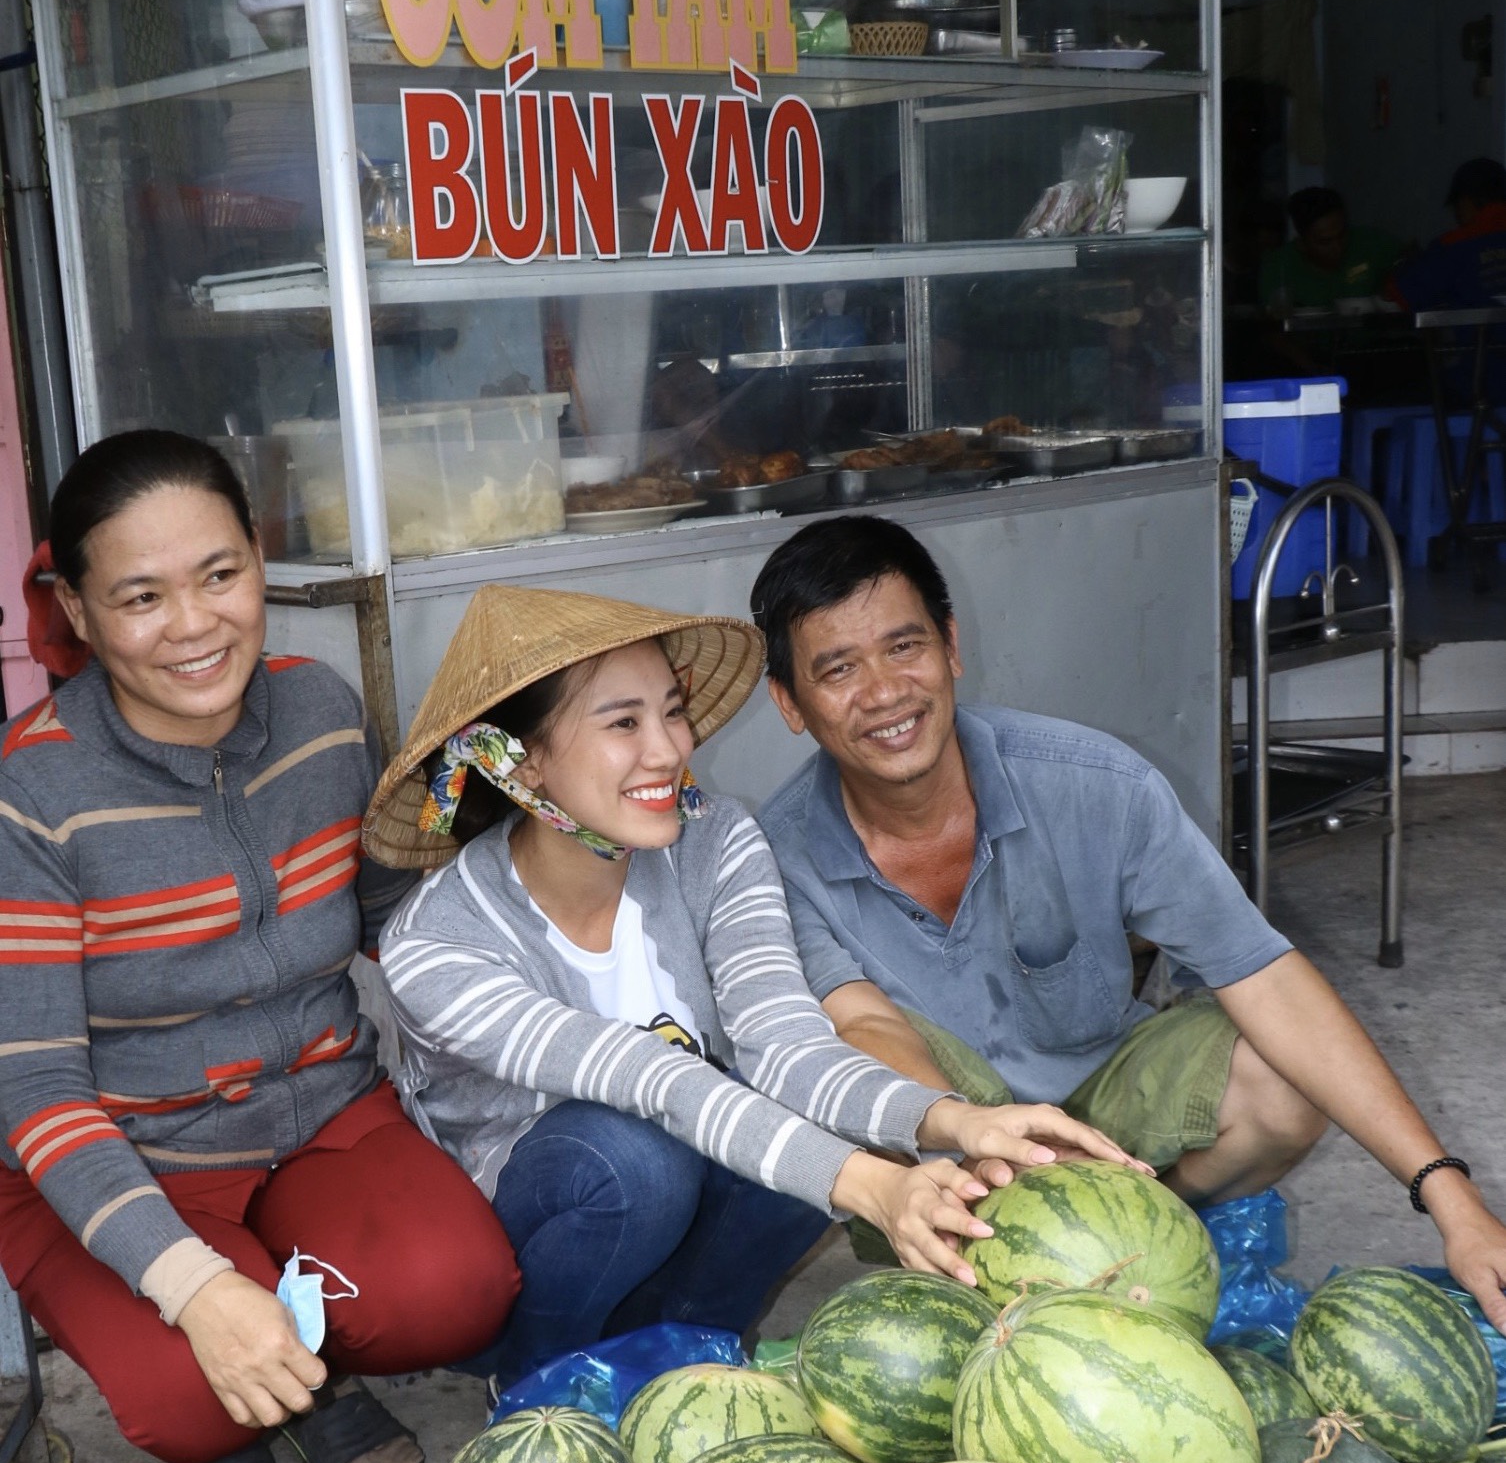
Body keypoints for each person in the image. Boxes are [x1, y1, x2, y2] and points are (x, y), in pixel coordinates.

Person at [363, 584, 1143, 1385]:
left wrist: (955, 1122)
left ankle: (690, 1362)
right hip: (530, 1261)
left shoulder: (717, 843)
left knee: (778, 1115)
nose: (668, 749)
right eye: (624, 722)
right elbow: (648, 1075)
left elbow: (788, 1047)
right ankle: (537, 1380)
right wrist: (873, 1184)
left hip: (673, 1214)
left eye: (672, 711)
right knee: (635, 1158)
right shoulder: (435, 940)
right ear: (520, 760)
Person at [751, 514, 1506, 1327]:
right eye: (838, 669)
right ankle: (1023, 1261)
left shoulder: (1094, 784)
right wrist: (1006, 1157)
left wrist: (1450, 1196)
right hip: (946, 1150)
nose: (885, 692)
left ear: (951, 646)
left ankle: (1153, 1225)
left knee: (1284, 1080)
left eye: (906, 647)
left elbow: (1264, 975)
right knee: (841, 1070)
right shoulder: (776, 856)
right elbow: (863, 1026)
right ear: (790, 703)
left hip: (1109, 1105)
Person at [0, 432, 519, 1463]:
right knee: (187, 1396)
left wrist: (510, 809)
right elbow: (33, 1086)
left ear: (258, 558)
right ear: (80, 610)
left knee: (460, 1291)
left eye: (220, 575)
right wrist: (193, 1287)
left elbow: (393, 915)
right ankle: (263, 1383)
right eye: (141, 596)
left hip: (322, 1115)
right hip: (116, 1154)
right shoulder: (32, 792)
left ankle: (301, 1366)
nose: (195, 625)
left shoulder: (321, 711)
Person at [1258, 186, 1402, 314]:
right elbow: (1273, 331)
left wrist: (1395, 283)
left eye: (1342, 236)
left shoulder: (1370, 242)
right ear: (1302, 241)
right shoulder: (1279, 266)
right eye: (1325, 242)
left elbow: (1409, 256)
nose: (1337, 247)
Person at [1391, 157, 1506, 314]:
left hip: (1482, 338)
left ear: (1466, 200)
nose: (1456, 215)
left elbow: (1396, 295)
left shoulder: (1452, 247)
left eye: (1456, 205)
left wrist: (1405, 263)